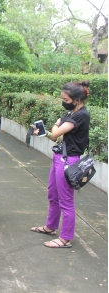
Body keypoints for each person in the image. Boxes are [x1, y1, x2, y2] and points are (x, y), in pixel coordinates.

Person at [30, 81, 91, 248]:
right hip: (59, 156)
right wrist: (51, 128)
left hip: (69, 161)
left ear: (77, 99)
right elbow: (55, 137)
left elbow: (55, 133)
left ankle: (65, 238)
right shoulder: (71, 112)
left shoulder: (80, 115)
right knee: (53, 195)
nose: (63, 101)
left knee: (66, 200)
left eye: (65, 99)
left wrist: (55, 124)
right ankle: (50, 226)